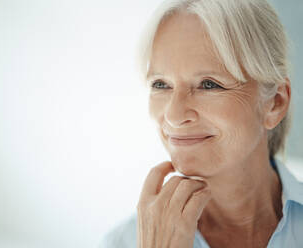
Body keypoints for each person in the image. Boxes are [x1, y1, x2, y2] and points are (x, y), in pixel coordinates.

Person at [99, 0, 303, 247]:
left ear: (275, 103)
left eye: (209, 84)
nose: (174, 116)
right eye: (160, 84)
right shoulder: (122, 242)